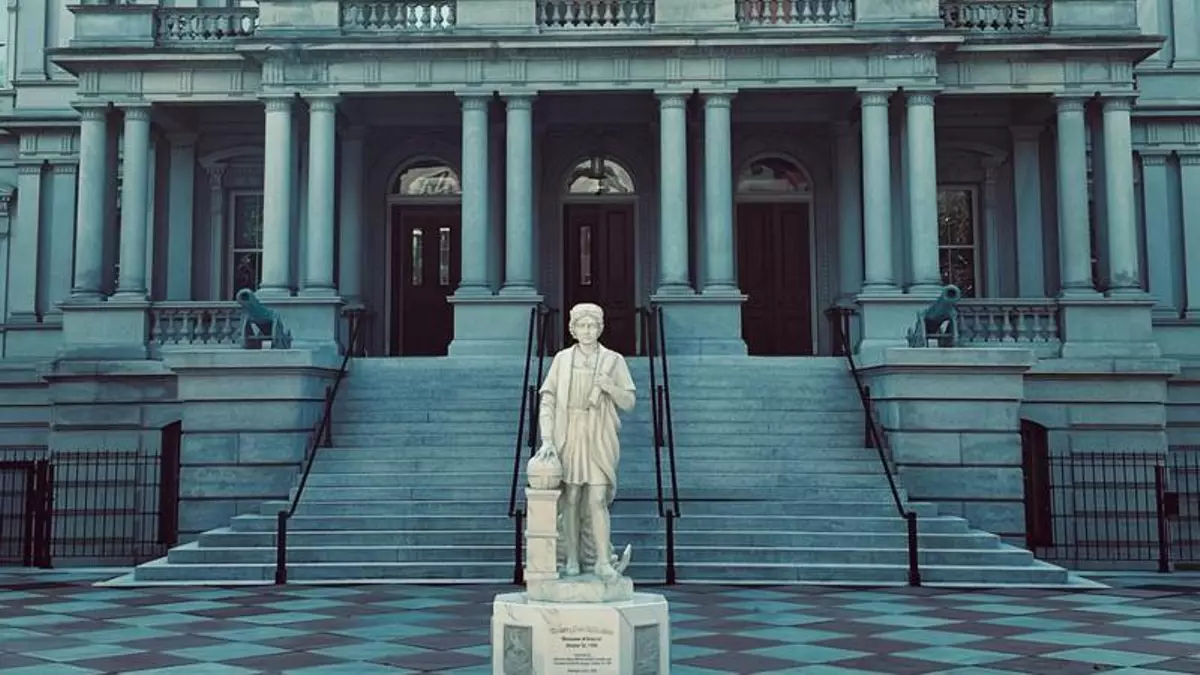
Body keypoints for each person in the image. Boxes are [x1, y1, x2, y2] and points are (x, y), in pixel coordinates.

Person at [534, 303, 636, 580]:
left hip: (599, 434)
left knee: (597, 498)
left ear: (600, 328)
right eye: (582, 325)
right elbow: (548, 399)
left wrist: (610, 387)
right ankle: (571, 560)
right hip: (568, 432)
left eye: (592, 325)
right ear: (573, 329)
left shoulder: (613, 360)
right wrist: (547, 438)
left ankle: (602, 560)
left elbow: (629, 402)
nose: (587, 330)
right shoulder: (562, 359)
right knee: (571, 497)